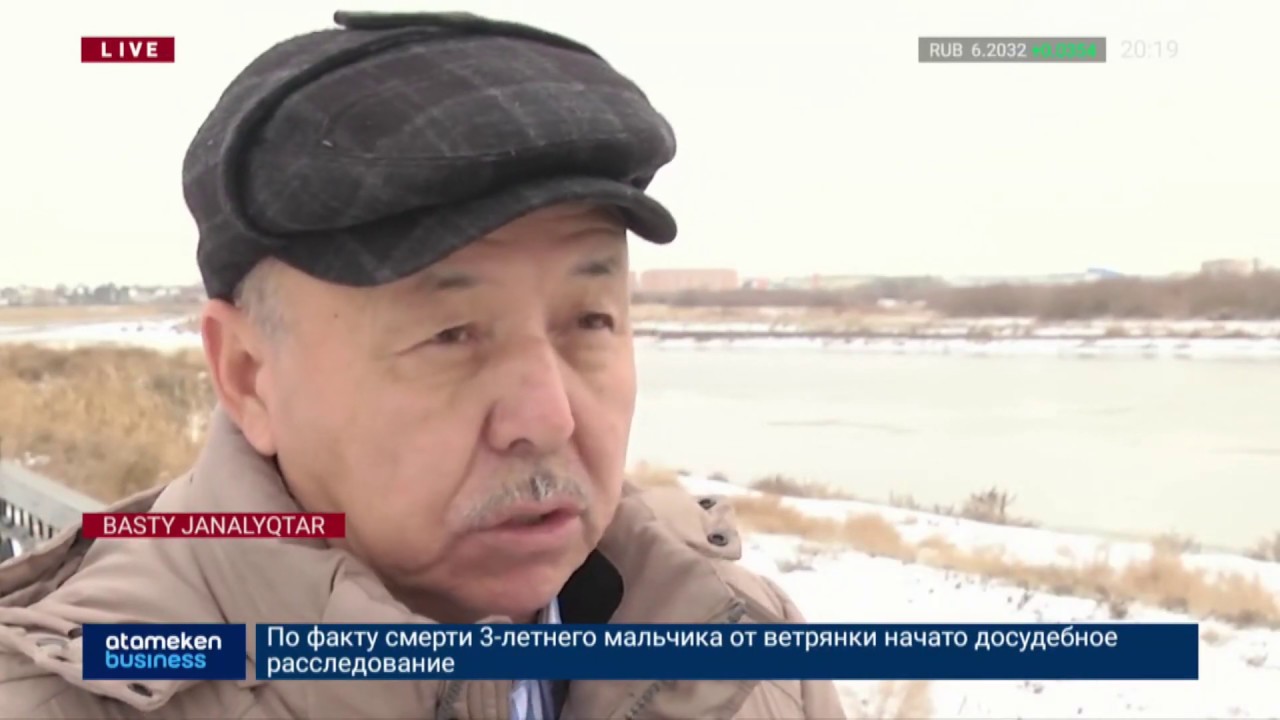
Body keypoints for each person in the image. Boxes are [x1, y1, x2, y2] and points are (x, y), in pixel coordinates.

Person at [0, 11, 846, 719]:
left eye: (590, 320)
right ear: (250, 375)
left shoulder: (749, 653)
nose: (547, 418)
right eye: (450, 335)